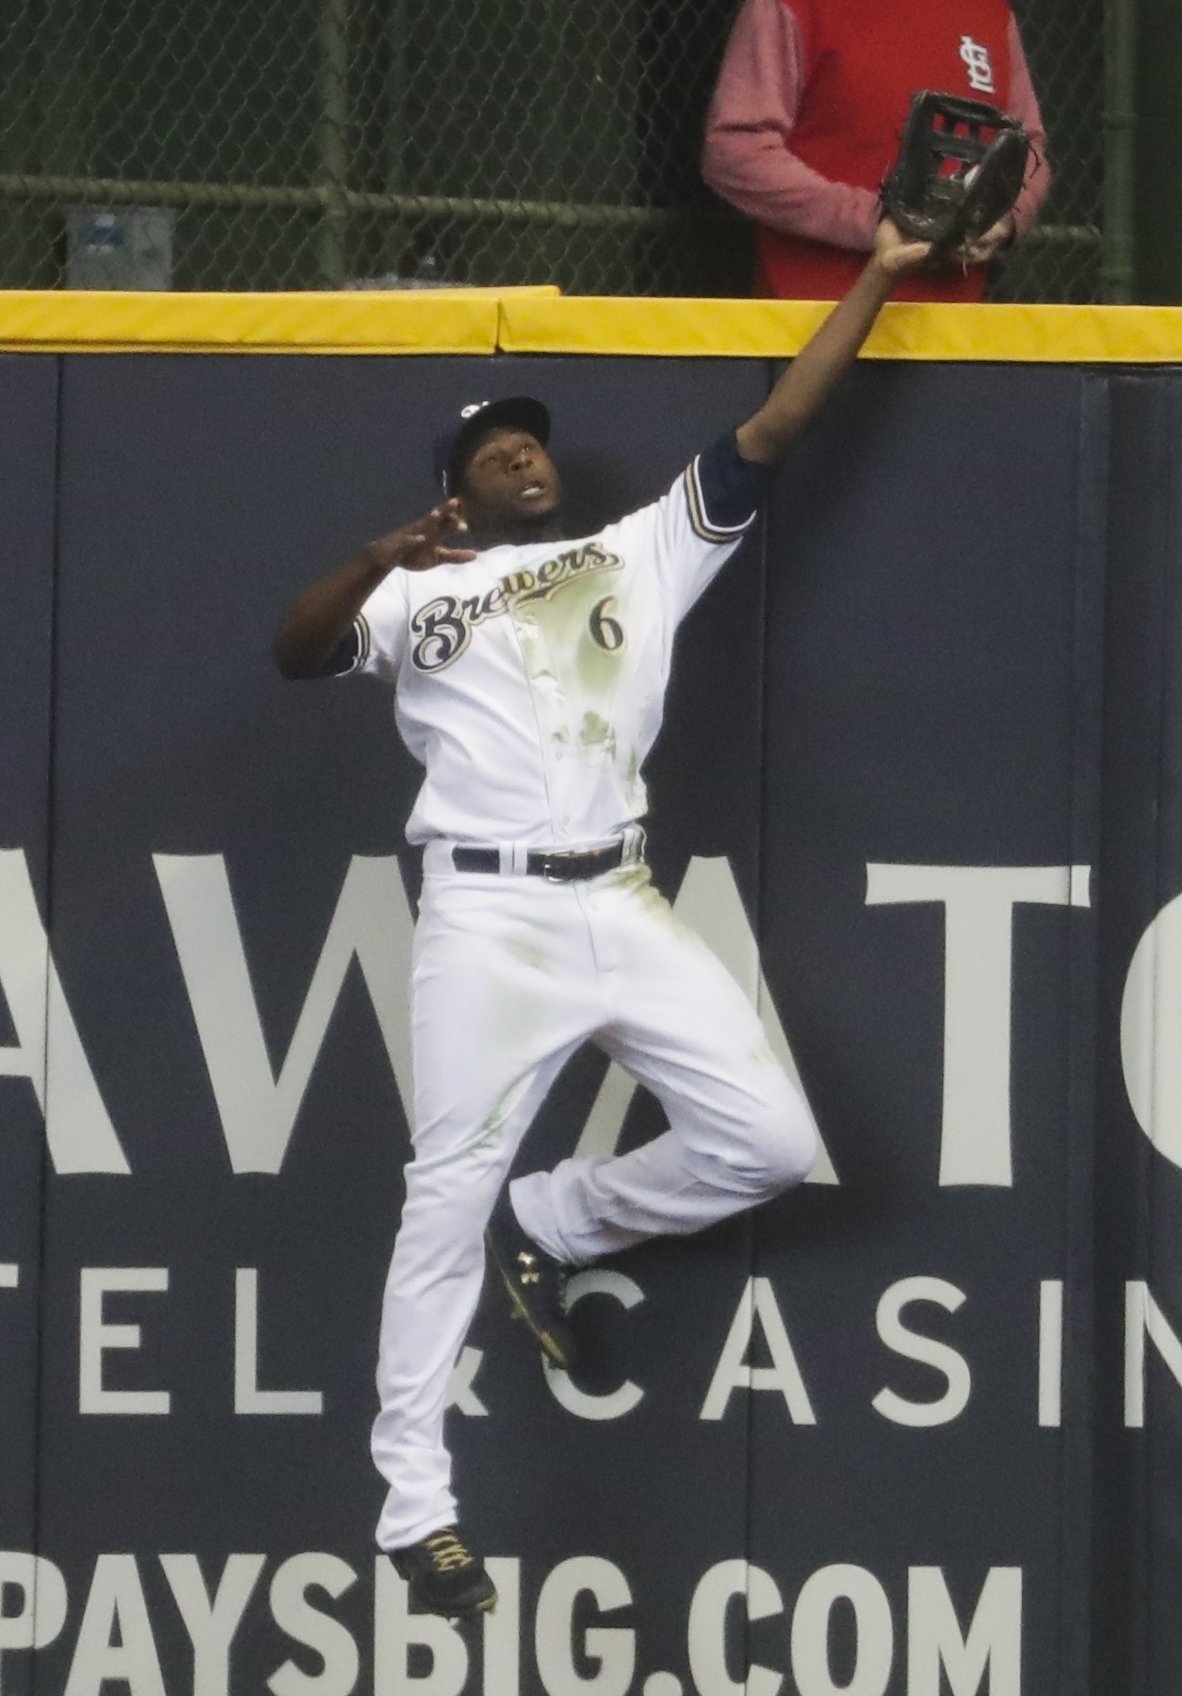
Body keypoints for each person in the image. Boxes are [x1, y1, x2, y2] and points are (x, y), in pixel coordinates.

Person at [274, 218, 955, 1621]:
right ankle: (417, 1506)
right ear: (451, 488)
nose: (519, 454)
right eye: (489, 449)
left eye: (528, 442)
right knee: (436, 1199)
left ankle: (566, 1215)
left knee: (767, 1142)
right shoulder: (419, 589)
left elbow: (774, 426)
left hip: (618, 894)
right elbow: (293, 652)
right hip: (485, 920)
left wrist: (878, 272)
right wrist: (376, 554)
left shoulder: (638, 552)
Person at [702, 0, 1051, 301]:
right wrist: (879, 218)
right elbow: (736, 150)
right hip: (812, 321)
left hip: (952, 330)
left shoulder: (989, 11)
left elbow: (1028, 146)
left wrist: (1002, 218)